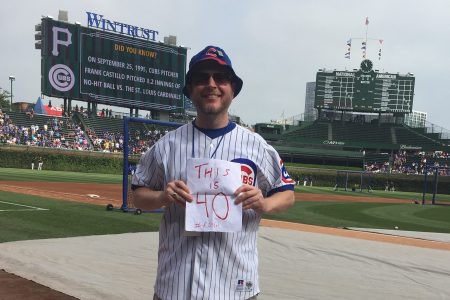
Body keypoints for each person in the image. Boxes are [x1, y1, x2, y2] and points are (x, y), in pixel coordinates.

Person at [132, 45, 295, 300]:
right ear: (190, 90)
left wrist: (265, 203)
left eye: (220, 78)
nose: (211, 84)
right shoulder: (166, 145)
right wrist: (163, 197)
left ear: (233, 89)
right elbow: (138, 194)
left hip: (236, 286)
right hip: (175, 285)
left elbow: (286, 193)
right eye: (201, 79)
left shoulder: (257, 146)